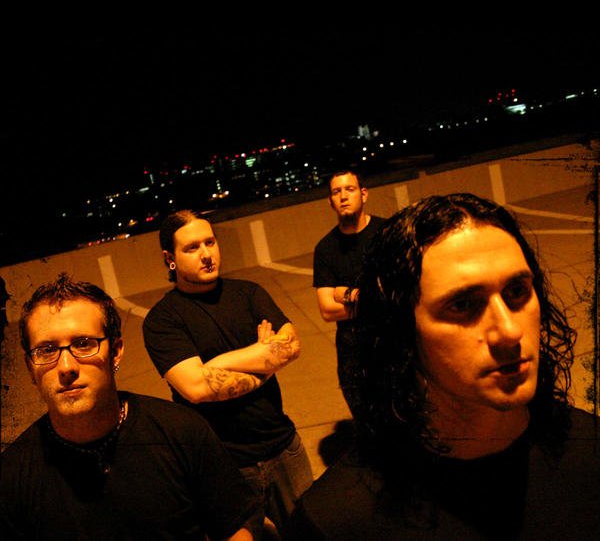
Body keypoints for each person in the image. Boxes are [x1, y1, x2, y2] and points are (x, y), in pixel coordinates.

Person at [285, 193, 599, 539]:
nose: (510, 331)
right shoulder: (333, 523)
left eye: (516, 292)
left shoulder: (590, 452)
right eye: (462, 305)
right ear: (400, 329)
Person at [0, 273, 261, 540]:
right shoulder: (11, 477)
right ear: (30, 368)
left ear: (115, 352)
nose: (66, 367)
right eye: (46, 350)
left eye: (83, 344)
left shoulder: (182, 432)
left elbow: (234, 525)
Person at [142, 209, 313, 539]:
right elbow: (196, 388)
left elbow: (290, 345)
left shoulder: (249, 293)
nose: (207, 254)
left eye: (210, 242)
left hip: (284, 449)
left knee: (310, 533)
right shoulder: (162, 320)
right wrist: (262, 359)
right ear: (170, 259)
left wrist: (215, 366)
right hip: (224, 467)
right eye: (192, 247)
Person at [312, 170, 385, 419]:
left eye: (350, 189)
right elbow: (327, 310)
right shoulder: (325, 249)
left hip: (394, 344)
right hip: (353, 356)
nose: (343, 196)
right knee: (368, 425)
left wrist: (347, 294)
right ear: (330, 201)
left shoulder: (387, 233)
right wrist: (375, 299)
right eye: (336, 192)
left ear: (364, 194)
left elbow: (401, 292)